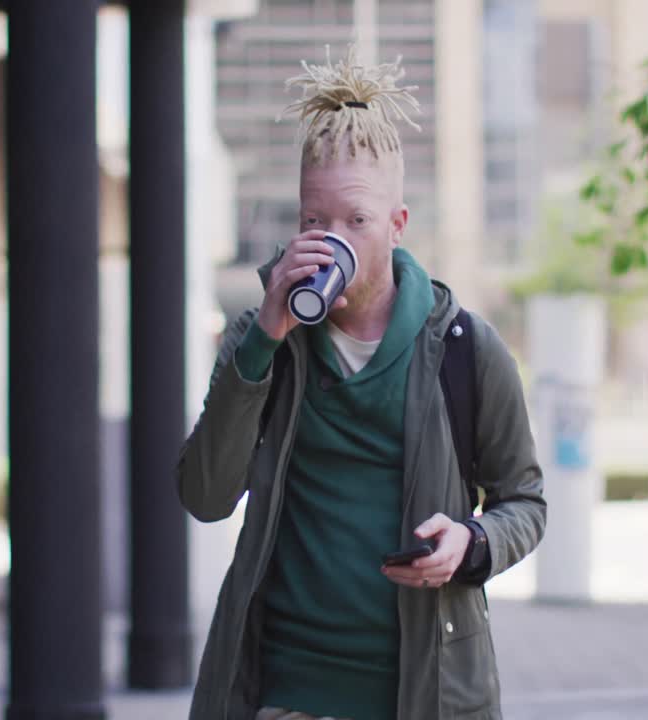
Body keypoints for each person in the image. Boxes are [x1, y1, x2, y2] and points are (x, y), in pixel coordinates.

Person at [177, 47, 545, 720]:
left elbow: (526, 501)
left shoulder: (468, 349)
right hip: (283, 696)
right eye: (314, 221)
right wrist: (265, 338)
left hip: (422, 695)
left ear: (397, 226)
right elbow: (204, 495)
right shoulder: (262, 339)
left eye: (356, 221)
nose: (331, 237)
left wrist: (473, 544)